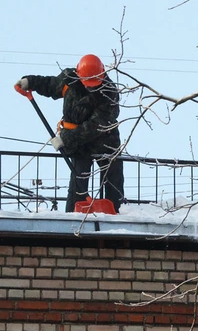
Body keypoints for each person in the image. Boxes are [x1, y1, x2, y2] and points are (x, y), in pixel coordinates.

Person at [15, 54, 125, 213]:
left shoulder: (109, 92)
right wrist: (30, 81)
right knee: (78, 179)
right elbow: (51, 84)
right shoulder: (70, 79)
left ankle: (116, 213)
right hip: (79, 145)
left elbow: (97, 125)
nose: (90, 87)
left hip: (105, 141)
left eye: (94, 82)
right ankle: (73, 216)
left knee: (113, 177)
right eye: (87, 82)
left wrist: (65, 139)